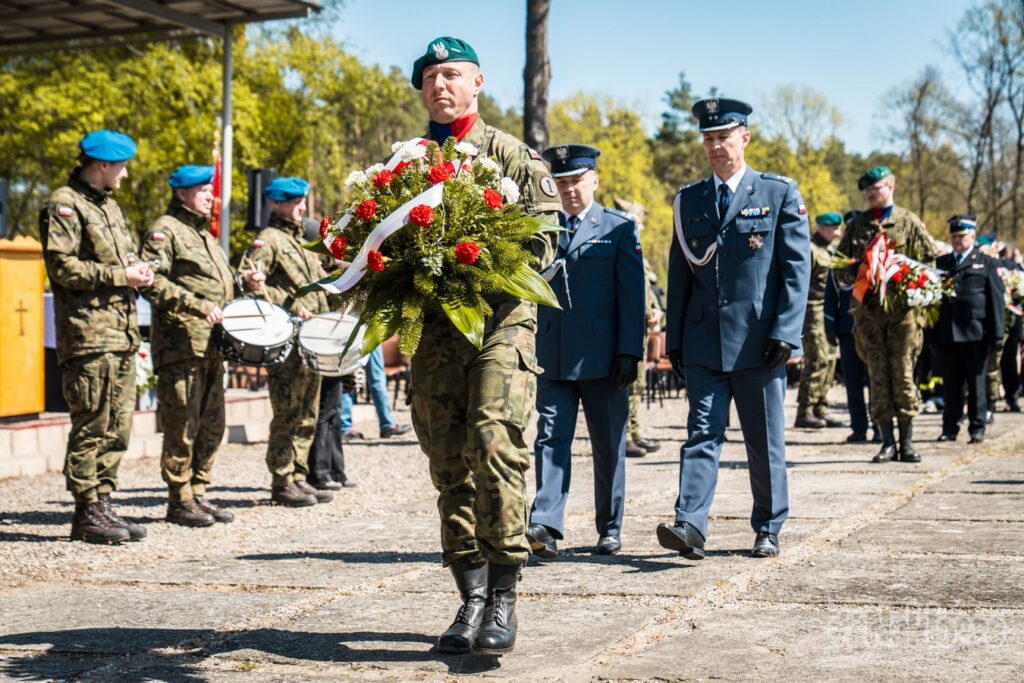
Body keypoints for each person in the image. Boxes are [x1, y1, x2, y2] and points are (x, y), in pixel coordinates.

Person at [405, 36, 561, 656]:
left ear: (477, 82)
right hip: (435, 329)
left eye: (452, 74)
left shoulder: (512, 156)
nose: (440, 85)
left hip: (500, 322)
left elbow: (546, 241)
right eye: (430, 77)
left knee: (495, 442)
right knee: (447, 458)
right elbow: (374, 235)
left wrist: (482, 261)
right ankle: (469, 597)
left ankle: (503, 594)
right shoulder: (405, 164)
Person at [658, 98, 811, 560]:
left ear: (744, 137)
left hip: (759, 342)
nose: (715, 146)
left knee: (763, 441)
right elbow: (679, 275)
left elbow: (796, 270)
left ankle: (768, 525)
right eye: (708, 138)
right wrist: (675, 340)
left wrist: (787, 332)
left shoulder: (777, 193)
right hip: (704, 341)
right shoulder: (690, 200)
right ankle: (690, 524)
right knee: (701, 434)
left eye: (723, 136)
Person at [526, 145, 645, 558]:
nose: (569, 189)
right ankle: (545, 523)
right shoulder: (542, 230)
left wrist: (629, 352)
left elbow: (632, 296)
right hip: (554, 353)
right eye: (561, 183)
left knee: (608, 445)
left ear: (594, 179)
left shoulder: (619, 228)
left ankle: (609, 527)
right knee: (549, 438)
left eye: (576, 181)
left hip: (603, 359)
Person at [40, 129, 153, 544]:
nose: (125, 175)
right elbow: (63, 268)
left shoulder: (108, 206)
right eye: (121, 167)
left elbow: (122, 259)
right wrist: (120, 275)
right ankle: (86, 509)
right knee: (92, 423)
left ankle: (103, 502)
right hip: (89, 336)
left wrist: (139, 271)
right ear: (102, 165)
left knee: (117, 426)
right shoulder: (64, 205)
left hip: (120, 334)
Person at [140, 164, 236, 527]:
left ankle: (198, 491)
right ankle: (178, 498)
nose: (211, 196)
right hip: (181, 344)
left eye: (211, 190)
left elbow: (219, 285)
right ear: (182, 193)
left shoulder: (206, 237)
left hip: (212, 345)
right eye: (203, 190)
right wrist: (197, 306)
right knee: (181, 422)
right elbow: (151, 281)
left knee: (212, 423)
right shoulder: (165, 230)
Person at [240, 176, 333, 507]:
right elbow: (250, 282)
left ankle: (298, 474)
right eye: (294, 202)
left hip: (311, 340)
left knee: (307, 412)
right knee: (287, 412)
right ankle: (281, 479)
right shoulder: (269, 239)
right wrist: (290, 305)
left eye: (302, 201)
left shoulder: (300, 241)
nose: (301, 208)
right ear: (275, 204)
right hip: (287, 342)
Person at [836, 166, 937, 463]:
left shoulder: (908, 222)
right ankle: (887, 441)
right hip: (868, 315)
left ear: (890, 186)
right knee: (878, 376)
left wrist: (908, 277)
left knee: (903, 373)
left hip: (903, 316)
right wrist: (857, 270)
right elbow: (839, 265)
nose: (870, 193)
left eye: (875, 188)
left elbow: (929, 264)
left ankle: (907, 442)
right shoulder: (857, 225)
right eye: (866, 190)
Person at [935, 215, 1004, 444]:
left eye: (961, 236)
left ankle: (977, 427)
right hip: (949, 333)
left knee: (976, 385)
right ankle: (949, 427)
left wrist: (997, 334)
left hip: (976, 333)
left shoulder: (986, 263)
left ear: (973, 236)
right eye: (954, 236)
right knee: (951, 385)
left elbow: (995, 300)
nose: (957, 240)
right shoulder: (942, 263)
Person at [613, 197, 663, 459]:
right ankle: (624, 435)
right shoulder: (622, 247)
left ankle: (634, 432)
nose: (641, 227)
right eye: (637, 221)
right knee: (628, 386)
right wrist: (645, 313)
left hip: (640, 329)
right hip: (628, 329)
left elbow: (646, 290)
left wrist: (654, 309)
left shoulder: (637, 250)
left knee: (638, 385)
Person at [824, 212, 873, 443]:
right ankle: (859, 427)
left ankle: (880, 427)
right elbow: (831, 295)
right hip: (847, 329)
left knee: (875, 380)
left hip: (871, 328)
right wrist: (830, 326)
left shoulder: (875, 256)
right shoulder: (840, 259)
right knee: (852, 382)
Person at [795, 212, 842, 428]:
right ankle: (805, 411)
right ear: (822, 228)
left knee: (830, 359)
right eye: (834, 229)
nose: (838, 233)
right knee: (817, 358)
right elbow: (800, 282)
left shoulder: (831, 250)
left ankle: (820, 408)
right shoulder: (810, 250)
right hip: (812, 310)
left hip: (830, 310)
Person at [339, 344, 411, 441]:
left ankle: (344, 427)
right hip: (364, 336)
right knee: (367, 378)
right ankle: (387, 425)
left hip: (354, 337)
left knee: (351, 377)